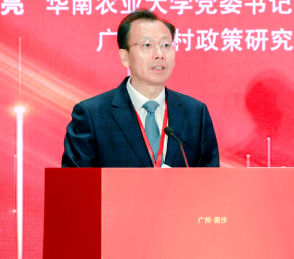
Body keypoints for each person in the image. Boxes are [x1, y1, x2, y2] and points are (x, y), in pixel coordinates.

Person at [61, 9, 219, 167]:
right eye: (147, 45)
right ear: (125, 57)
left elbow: (211, 178)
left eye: (166, 45)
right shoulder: (92, 115)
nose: (160, 54)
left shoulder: (195, 113)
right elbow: (76, 180)